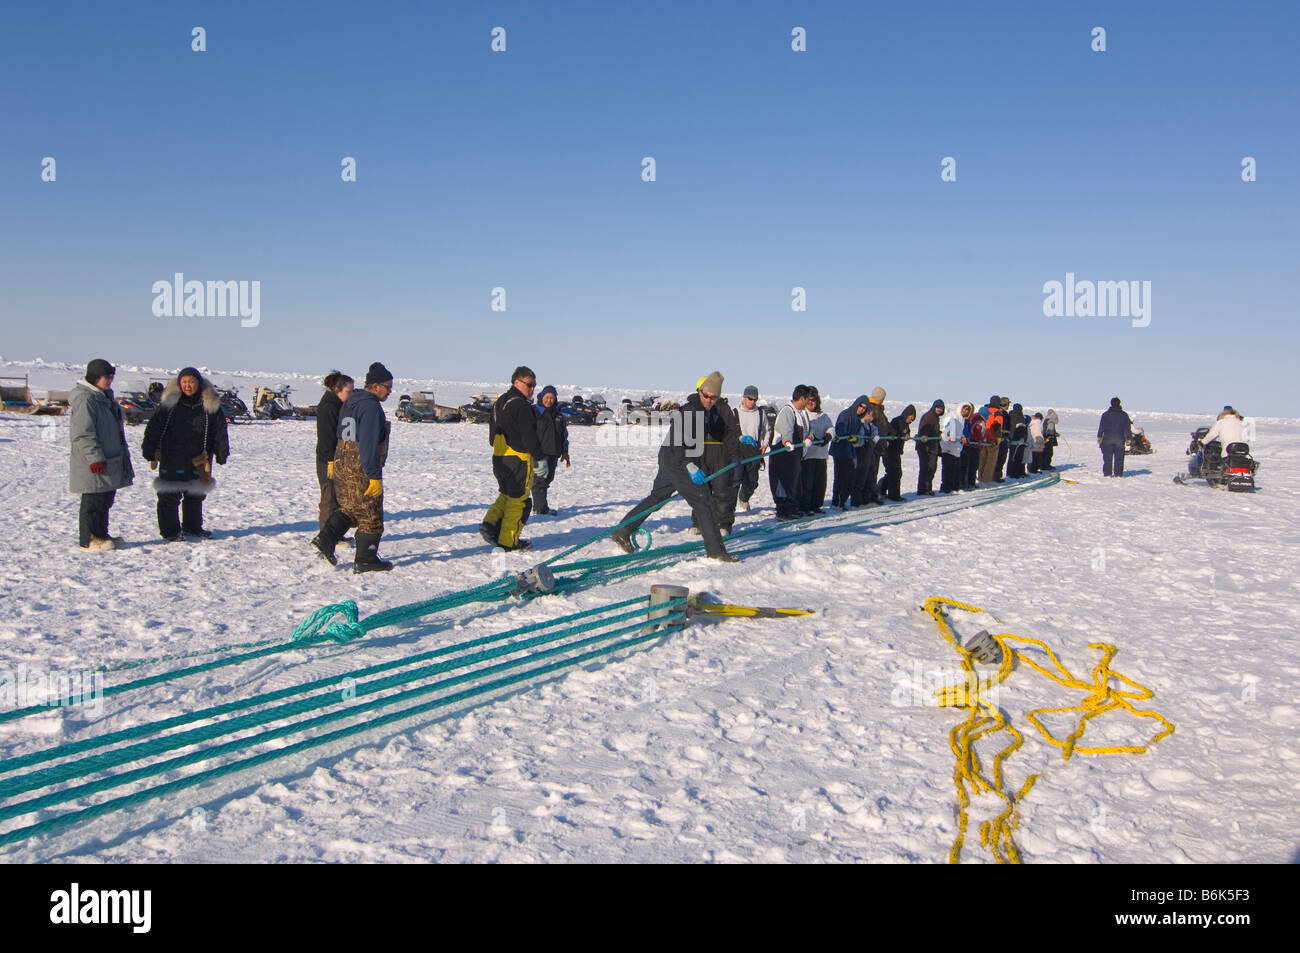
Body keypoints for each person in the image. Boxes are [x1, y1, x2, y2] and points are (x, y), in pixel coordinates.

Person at [611, 372, 738, 562]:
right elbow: (678, 444)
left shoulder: (706, 411)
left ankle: (623, 530)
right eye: (707, 396)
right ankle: (716, 551)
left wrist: (737, 446)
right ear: (700, 391)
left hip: (670, 458)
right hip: (677, 459)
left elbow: (721, 432)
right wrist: (689, 465)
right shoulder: (690, 411)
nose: (710, 400)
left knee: (657, 497)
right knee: (704, 502)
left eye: (714, 397)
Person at [312, 362, 395, 571]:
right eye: (387, 387)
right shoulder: (370, 407)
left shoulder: (351, 402)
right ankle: (366, 559)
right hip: (361, 467)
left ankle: (326, 539)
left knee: (349, 508)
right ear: (375, 386)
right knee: (370, 513)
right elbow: (367, 444)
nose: (389, 392)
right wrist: (374, 475)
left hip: (343, 463)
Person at [141, 367, 229, 541]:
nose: (188, 386)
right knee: (169, 494)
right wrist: (149, 448)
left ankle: (192, 527)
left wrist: (221, 451)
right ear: (179, 383)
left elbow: (219, 429)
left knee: (195, 494)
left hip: (200, 457)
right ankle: (170, 531)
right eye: (185, 382)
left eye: (192, 382)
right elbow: (154, 426)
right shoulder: (170, 403)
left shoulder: (209, 403)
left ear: (198, 383)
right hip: (172, 455)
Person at [68, 358, 135, 550]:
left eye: (112, 377)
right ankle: (89, 538)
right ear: (95, 377)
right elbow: (83, 433)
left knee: (105, 499)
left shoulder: (103, 397)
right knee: (93, 500)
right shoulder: (86, 399)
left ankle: (101, 535)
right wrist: (94, 457)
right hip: (93, 461)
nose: (110, 381)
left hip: (109, 460)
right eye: (107, 377)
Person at [479, 366, 545, 551]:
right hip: (518, 458)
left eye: (534, 385)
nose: (532, 389)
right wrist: (539, 457)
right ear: (517, 382)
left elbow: (493, 433)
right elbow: (528, 435)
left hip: (500, 456)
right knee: (519, 501)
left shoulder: (500, 401)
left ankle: (490, 524)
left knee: (506, 494)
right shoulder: (521, 404)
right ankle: (509, 541)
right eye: (529, 385)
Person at [690, 378, 744, 534]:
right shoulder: (692, 408)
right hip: (700, 453)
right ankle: (698, 522)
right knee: (701, 490)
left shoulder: (723, 407)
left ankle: (724, 523)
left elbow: (731, 431)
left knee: (722, 490)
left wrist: (734, 454)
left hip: (720, 453)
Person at [315, 371, 354, 535]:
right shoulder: (329, 407)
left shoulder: (338, 405)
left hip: (335, 459)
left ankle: (334, 534)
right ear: (338, 389)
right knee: (329, 499)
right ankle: (326, 536)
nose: (350, 395)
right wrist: (330, 460)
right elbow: (326, 437)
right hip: (328, 461)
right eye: (348, 392)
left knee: (336, 498)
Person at [769, 385, 812, 519]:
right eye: (808, 399)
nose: (809, 402)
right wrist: (787, 441)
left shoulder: (802, 413)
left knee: (793, 481)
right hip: (783, 455)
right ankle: (783, 510)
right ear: (802, 398)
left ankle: (792, 507)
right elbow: (785, 429)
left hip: (795, 456)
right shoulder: (788, 411)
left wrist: (809, 438)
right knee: (783, 483)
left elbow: (809, 429)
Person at [532, 385, 569, 517]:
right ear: (542, 397)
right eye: (547, 397)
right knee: (539, 480)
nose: (549, 400)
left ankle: (541, 506)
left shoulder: (558, 415)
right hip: (538, 453)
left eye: (552, 398)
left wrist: (565, 451)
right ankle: (540, 508)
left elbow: (564, 434)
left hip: (553, 452)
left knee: (548, 479)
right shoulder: (534, 412)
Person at [733, 386, 770, 512]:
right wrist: (740, 437)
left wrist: (765, 444)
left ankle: (743, 498)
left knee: (752, 481)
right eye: (750, 399)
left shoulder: (760, 413)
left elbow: (767, 430)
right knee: (735, 479)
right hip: (738, 451)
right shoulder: (735, 412)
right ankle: (729, 506)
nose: (752, 402)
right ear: (744, 398)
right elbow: (729, 433)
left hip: (755, 451)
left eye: (755, 399)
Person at [830, 395, 871, 508]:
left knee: (850, 478)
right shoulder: (845, 414)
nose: (862, 409)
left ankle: (842, 501)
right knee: (840, 477)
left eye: (864, 408)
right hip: (840, 451)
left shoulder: (858, 419)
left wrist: (856, 438)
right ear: (856, 404)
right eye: (861, 406)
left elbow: (858, 435)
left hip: (850, 451)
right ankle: (836, 502)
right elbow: (839, 429)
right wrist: (847, 436)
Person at [800, 388, 833, 513]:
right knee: (807, 483)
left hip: (821, 455)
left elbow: (831, 429)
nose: (811, 403)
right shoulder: (802, 415)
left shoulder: (823, 416)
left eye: (813, 400)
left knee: (820, 483)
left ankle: (816, 505)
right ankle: (805, 506)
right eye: (808, 400)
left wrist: (828, 436)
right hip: (807, 455)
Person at [877, 404, 915, 502]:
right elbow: (892, 432)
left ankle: (881, 489)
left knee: (893, 473)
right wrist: (898, 436)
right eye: (911, 417)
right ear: (907, 414)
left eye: (913, 419)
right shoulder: (897, 421)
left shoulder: (906, 425)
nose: (911, 420)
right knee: (895, 473)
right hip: (889, 451)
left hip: (896, 452)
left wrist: (907, 436)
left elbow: (906, 433)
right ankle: (894, 495)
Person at [861, 387, 889, 504]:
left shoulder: (877, 409)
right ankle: (868, 497)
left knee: (873, 471)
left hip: (877, 446)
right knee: (870, 472)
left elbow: (885, 425)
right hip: (872, 447)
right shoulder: (872, 409)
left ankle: (871, 495)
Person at [1098, 397, 1132, 477]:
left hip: (1107, 439)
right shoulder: (1124, 415)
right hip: (1120, 440)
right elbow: (1127, 428)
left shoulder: (1105, 414)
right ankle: (1118, 474)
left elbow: (1101, 426)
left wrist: (1099, 436)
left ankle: (1107, 474)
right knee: (1119, 458)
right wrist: (1128, 438)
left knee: (1107, 458)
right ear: (1119, 403)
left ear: (1111, 403)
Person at [915, 400, 944, 495]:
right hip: (926, 447)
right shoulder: (929, 416)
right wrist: (926, 443)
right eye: (938, 407)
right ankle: (923, 489)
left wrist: (939, 434)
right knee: (927, 468)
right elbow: (924, 431)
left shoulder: (934, 417)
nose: (939, 409)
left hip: (932, 447)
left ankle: (927, 488)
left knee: (931, 468)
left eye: (941, 408)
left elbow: (932, 431)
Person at [939, 402, 969, 493]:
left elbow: (959, 431)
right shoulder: (952, 416)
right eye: (964, 408)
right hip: (947, 446)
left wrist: (963, 437)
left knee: (956, 468)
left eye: (967, 409)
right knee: (948, 468)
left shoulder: (961, 419)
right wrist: (951, 435)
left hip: (956, 448)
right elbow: (945, 428)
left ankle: (954, 486)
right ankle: (946, 488)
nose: (965, 411)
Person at [1006, 402, 1029, 478]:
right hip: (1019, 441)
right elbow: (1022, 429)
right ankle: (1016, 473)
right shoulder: (1020, 417)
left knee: (1011, 457)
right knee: (1018, 458)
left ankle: (1010, 473)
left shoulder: (1010, 416)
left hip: (1011, 440)